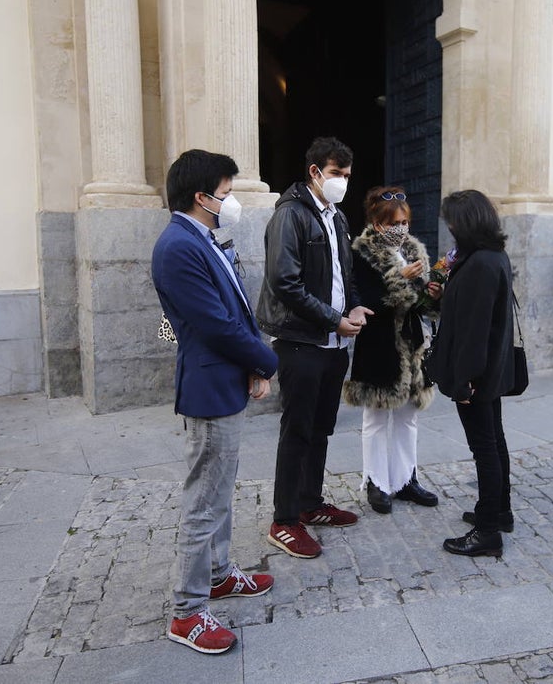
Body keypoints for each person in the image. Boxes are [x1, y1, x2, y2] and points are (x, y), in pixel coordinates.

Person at [151, 150, 279, 654]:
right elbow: (214, 325)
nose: (231, 202)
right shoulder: (178, 246)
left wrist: (250, 362)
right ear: (201, 197)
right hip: (209, 387)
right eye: (226, 193)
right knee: (204, 501)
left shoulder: (200, 238)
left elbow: (237, 307)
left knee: (220, 491)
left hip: (226, 378)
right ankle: (186, 612)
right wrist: (265, 359)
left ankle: (220, 573)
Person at [256, 137, 372, 559]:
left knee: (322, 427)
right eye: (337, 174)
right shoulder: (291, 216)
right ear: (315, 172)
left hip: (334, 343)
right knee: (297, 430)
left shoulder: (336, 217)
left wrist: (354, 304)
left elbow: (345, 273)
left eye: (346, 175)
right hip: (301, 340)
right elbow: (285, 282)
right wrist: (332, 318)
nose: (342, 182)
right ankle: (284, 520)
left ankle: (309, 503)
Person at [342, 187, 441, 514]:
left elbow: (420, 303)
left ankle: (404, 479)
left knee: (408, 418)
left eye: (405, 222)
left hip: (411, 344)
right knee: (376, 416)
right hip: (379, 342)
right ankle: (376, 482)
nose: (400, 228)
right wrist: (400, 279)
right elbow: (367, 300)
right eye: (393, 222)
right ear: (377, 222)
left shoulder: (413, 249)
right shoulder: (361, 252)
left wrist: (432, 292)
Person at [429, 190, 515, 557]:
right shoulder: (490, 256)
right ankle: (497, 511)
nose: (448, 227)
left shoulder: (480, 263)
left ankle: (488, 531)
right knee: (494, 440)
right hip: (490, 370)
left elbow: (474, 329)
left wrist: (464, 381)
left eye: (452, 220)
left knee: (485, 447)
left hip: (477, 374)